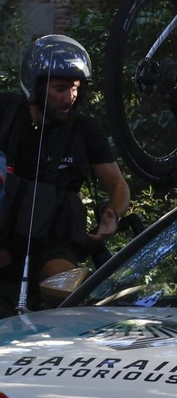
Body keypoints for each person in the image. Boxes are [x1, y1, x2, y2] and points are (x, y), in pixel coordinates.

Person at [0, 36, 130, 305]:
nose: (69, 97)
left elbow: (119, 187)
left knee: (68, 292)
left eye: (75, 88)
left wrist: (113, 214)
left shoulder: (85, 130)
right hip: (3, 236)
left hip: (53, 241)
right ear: (36, 86)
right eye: (60, 88)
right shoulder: (6, 112)